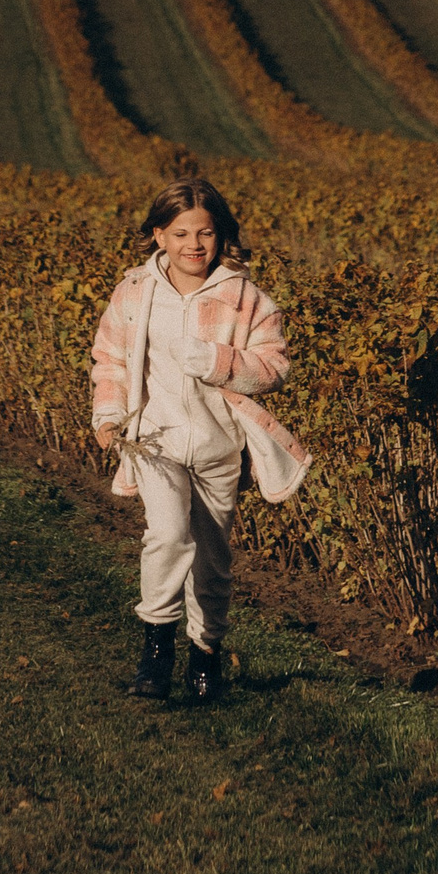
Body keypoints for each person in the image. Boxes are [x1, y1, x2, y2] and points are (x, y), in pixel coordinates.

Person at [89, 177, 310, 703]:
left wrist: (218, 363)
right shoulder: (135, 293)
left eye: (206, 233)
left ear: (221, 236)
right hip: (155, 441)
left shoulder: (245, 297)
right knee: (167, 536)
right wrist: (108, 416)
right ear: (158, 235)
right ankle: (156, 654)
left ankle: (205, 655)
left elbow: (276, 366)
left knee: (212, 560)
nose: (194, 244)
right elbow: (110, 359)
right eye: (182, 232)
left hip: (219, 447)